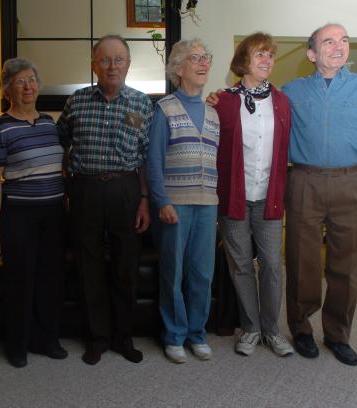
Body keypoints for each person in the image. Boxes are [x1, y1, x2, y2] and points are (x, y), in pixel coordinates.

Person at [282, 23, 357, 366]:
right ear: (311, 53)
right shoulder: (291, 91)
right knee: (301, 261)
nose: (339, 46)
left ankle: (338, 335)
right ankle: (301, 329)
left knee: (347, 266)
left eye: (344, 40)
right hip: (304, 181)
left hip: (354, 184)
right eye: (329, 41)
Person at [57, 34, 153, 365]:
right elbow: (60, 143)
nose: (112, 66)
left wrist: (144, 199)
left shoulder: (141, 104)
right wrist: (66, 186)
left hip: (126, 189)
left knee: (126, 265)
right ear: (94, 65)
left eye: (118, 60)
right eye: (105, 60)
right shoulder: (77, 101)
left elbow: (145, 155)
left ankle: (123, 337)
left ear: (128, 64)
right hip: (85, 190)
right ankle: (97, 337)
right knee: (89, 266)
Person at [213, 32, 294, 358]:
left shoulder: (281, 101)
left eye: (270, 55)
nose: (266, 60)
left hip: (269, 198)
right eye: (259, 54)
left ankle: (272, 330)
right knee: (241, 266)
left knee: (272, 265)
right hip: (234, 198)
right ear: (243, 61)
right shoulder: (223, 101)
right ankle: (251, 328)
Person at [0, 58, 67, 368]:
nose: (28, 86)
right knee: (20, 279)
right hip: (19, 213)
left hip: (54, 212)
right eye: (20, 81)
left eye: (31, 80)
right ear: (8, 89)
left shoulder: (48, 122)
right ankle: (17, 345)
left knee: (50, 278)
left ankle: (48, 340)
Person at [146, 38, 220, 364]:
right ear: (178, 68)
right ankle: (174, 335)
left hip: (207, 203)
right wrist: (162, 201)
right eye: (195, 58)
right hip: (174, 204)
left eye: (206, 58)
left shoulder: (214, 113)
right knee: (173, 273)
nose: (203, 63)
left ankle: (197, 334)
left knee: (203, 274)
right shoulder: (165, 109)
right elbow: (153, 161)